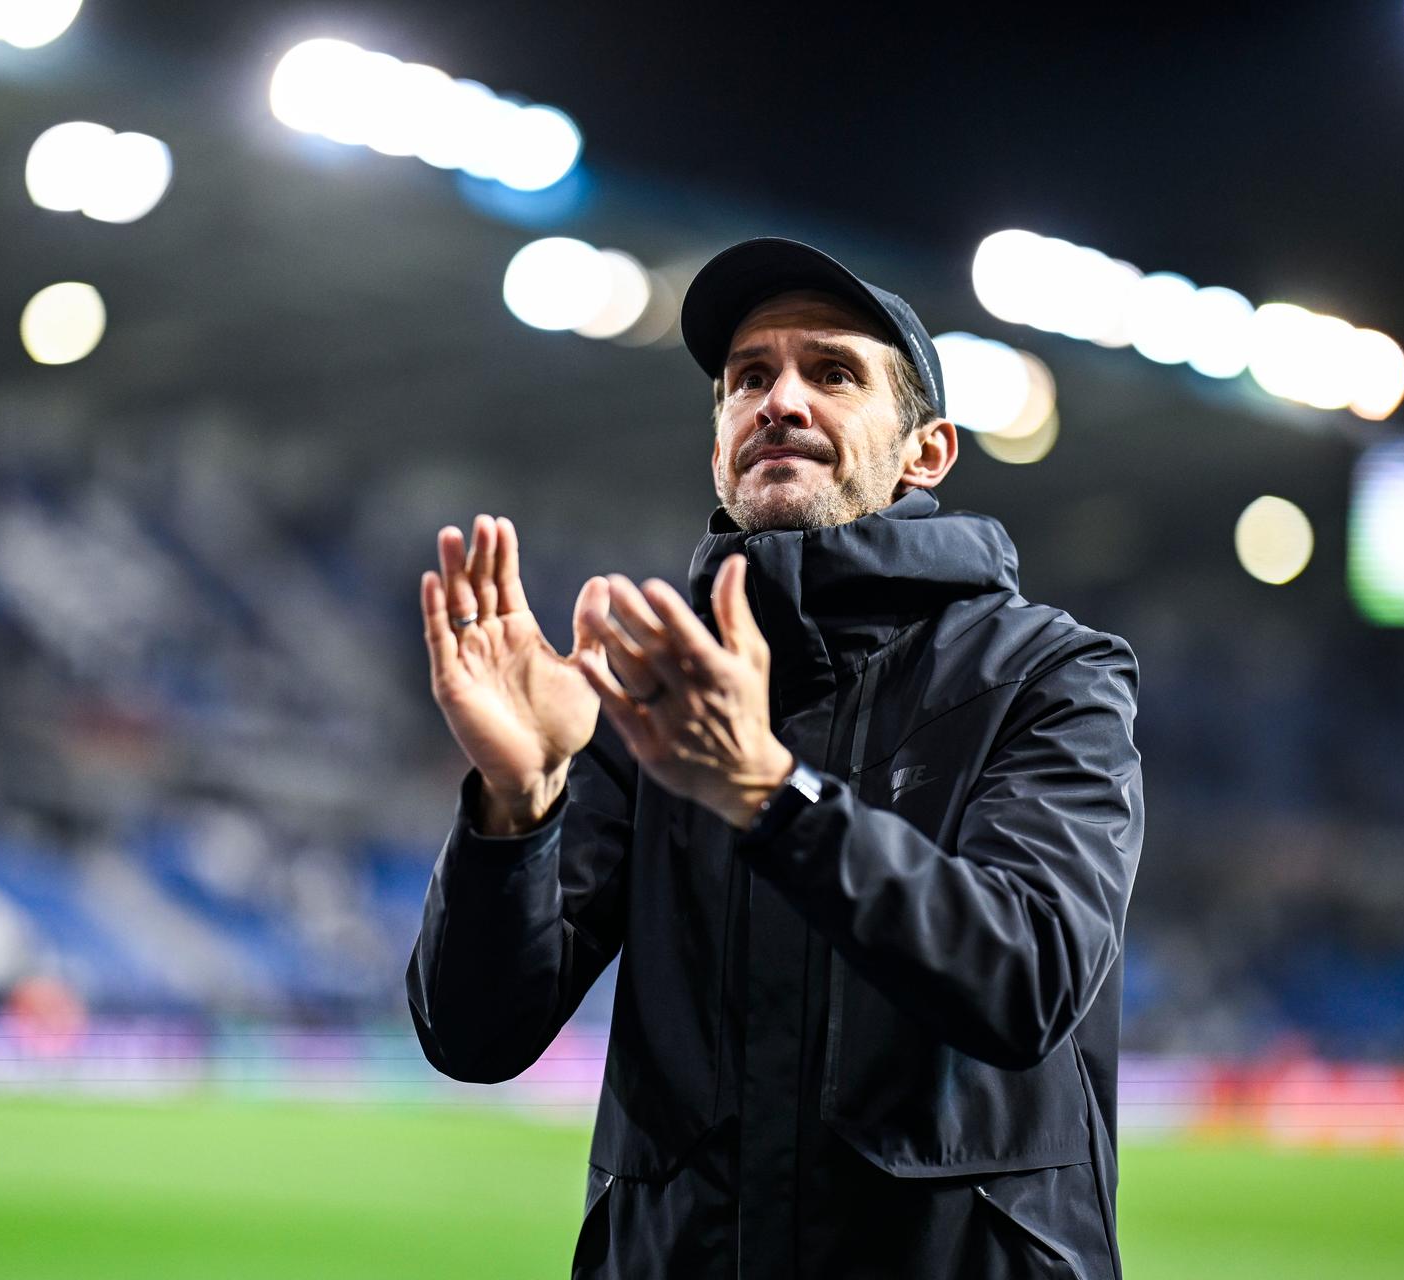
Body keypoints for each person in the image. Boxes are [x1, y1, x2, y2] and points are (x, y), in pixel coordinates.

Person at [407, 237, 1143, 1278]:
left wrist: (768, 793)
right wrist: (516, 807)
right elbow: (476, 1038)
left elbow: (1026, 976)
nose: (780, 400)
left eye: (831, 371)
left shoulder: (1050, 672)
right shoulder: (641, 693)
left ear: (924, 452)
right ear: (719, 450)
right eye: (749, 377)